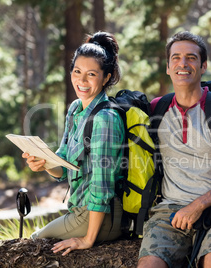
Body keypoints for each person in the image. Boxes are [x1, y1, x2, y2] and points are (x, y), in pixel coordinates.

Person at [138, 31, 211, 268]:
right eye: (176, 58)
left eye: (191, 58)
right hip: (168, 211)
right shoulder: (155, 109)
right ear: (168, 68)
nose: (183, 63)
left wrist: (198, 205)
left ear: (203, 67)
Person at [23, 31, 124, 256]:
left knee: (35, 242)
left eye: (91, 74)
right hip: (79, 212)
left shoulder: (105, 119)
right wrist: (43, 162)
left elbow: (102, 184)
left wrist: (88, 240)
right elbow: (63, 167)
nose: (82, 81)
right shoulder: (75, 109)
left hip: (99, 217)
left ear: (106, 78)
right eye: (77, 72)